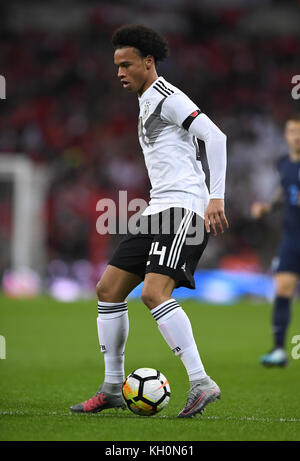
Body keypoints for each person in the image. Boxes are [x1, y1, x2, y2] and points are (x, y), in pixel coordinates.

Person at [71, 24, 228, 417]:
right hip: (158, 209)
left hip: (185, 209)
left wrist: (216, 196)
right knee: (108, 289)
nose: (119, 73)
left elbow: (217, 138)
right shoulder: (143, 100)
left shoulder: (167, 96)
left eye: (126, 65)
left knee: (154, 294)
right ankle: (111, 387)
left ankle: (201, 382)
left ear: (148, 61)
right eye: (116, 66)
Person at [251, 115, 300, 367]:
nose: (296, 136)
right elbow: (284, 190)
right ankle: (280, 350)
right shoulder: (283, 163)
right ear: (286, 134)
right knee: (282, 290)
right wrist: (267, 207)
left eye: (299, 131)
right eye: (292, 131)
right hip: (292, 240)